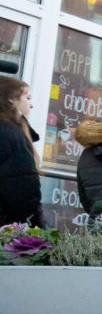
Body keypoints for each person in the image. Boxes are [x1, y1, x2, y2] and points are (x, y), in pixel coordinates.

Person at [0, 75, 46, 229]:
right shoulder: (12, 134)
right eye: (28, 97)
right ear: (12, 99)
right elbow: (23, 189)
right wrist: (37, 228)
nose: (31, 105)